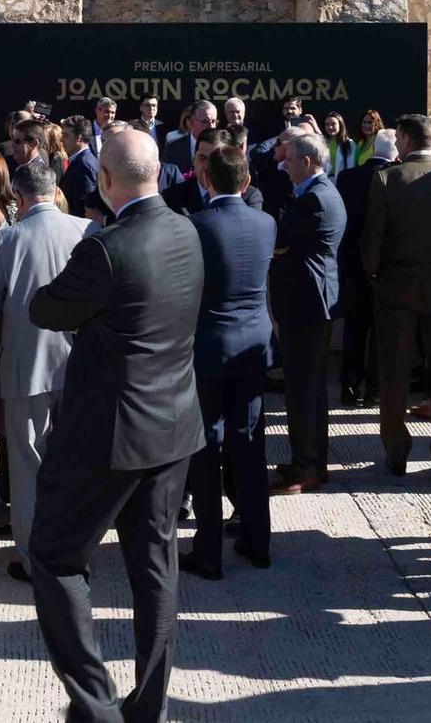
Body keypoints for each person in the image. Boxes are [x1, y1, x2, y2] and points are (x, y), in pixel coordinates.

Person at [25, 129, 204, 720]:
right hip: (173, 428)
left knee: (53, 556)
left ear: (103, 180)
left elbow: (45, 309)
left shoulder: (105, 247)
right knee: (155, 570)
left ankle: (97, 707)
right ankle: (147, 708)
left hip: (108, 434)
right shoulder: (188, 231)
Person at [0, 158, 94, 580]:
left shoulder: (1, 241)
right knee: (78, 465)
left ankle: (33, 559)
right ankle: (75, 552)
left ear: (18, 197)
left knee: (28, 469)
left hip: (26, 369)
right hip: (80, 366)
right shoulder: (87, 230)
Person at [361, 114, 431, 478]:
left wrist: (377, 278)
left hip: (396, 288)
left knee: (393, 373)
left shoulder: (386, 178)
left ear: (406, 141)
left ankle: (396, 451)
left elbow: (371, 244)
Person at [181, 144, 276, 579]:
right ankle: (259, 542)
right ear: (247, 181)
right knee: (250, 441)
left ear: (205, 179)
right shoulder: (266, 223)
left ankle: (208, 551)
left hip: (209, 347)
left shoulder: (196, 226)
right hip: (253, 343)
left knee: (207, 448)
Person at [268, 129, 345, 495]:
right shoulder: (317, 194)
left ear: (307, 162)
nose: (284, 165)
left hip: (306, 304)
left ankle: (307, 467)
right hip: (309, 302)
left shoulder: (315, 199)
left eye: (289, 159)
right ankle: (311, 460)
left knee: (303, 390)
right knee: (308, 388)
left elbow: (280, 241)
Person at [334, 126, 396, 410]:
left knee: (354, 329)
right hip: (385, 268)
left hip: (352, 265)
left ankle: (348, 385)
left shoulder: (347, 178)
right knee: (381, 333)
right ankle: (373, 390)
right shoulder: (396, 179)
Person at [61, 116, 101, 221]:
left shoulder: (84, 164)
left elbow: (87, 205)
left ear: (78, 137)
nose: (62, 140)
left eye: (65, 136)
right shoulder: (82, 160)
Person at [318, 112, 355, 177]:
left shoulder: (350, 144)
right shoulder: (321, 142)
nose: (330, 127)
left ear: (340, 125)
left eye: (333, 124)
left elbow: (351, 167)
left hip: (342, 182)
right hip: (325, 181)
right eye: (327, 124)